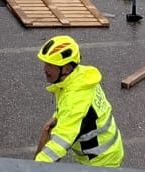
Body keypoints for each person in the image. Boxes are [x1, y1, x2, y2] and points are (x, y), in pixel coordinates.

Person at [34, 35, 124, 165]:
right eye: (46, 63)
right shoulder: (80, 77)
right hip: (109, 151)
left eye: (51, 65)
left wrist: (33, 167)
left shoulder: (75, 100)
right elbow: (77, 113)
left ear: (67, 69)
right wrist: (59, 117)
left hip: (101, 162)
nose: (45, 69)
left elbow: (59, 144)